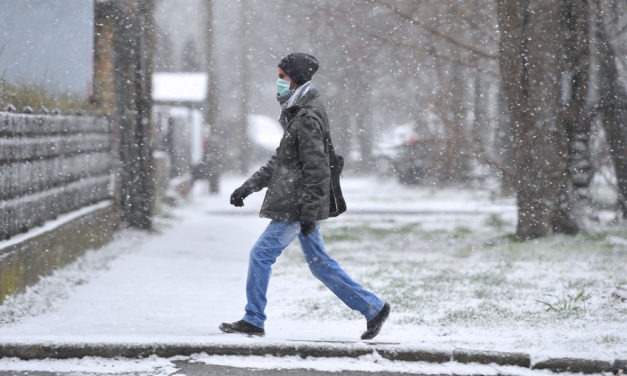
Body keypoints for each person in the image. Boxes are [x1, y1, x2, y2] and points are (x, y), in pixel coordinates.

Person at [219, 53, 390, 340]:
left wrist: (309, 213)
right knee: (319, 263)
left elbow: (318, 169)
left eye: (282, 76)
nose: (279, 82)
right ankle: (373, 308)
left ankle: (253, 318)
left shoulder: (307, 116)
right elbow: (281, 160)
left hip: (297, 205)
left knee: (261, 255)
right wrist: (248, 187)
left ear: (295, 79)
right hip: (299, 202)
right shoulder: (298, 111)